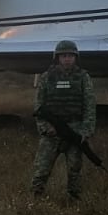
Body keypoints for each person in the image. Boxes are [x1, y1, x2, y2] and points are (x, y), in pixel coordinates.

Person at [31, 39, 96, 200]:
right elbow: (39, 107)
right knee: (42, 167)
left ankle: (74, 198)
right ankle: (35, 197)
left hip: (74, 129)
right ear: (57, 58)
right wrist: (45, 127)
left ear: (75, 58)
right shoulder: (47, 77)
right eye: (63, 56)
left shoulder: (83, 77)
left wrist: (85, 130)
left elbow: (89, 105)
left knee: (74, 167)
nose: (67, 59)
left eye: (70, 56)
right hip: (52, 130)